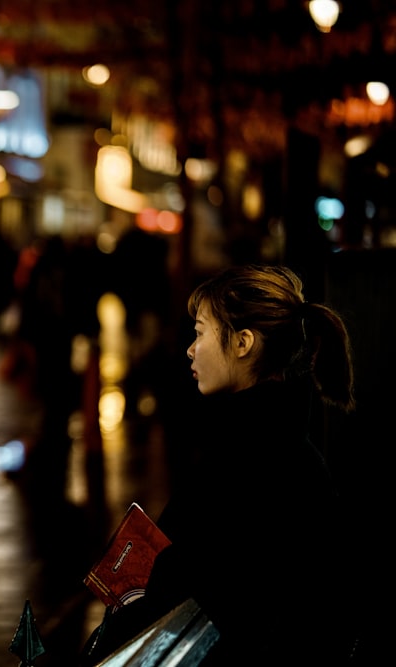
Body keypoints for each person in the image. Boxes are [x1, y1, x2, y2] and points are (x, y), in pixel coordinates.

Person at [80, 264, 361, 666]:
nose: (190, 349)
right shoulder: (276, 445)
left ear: (243, 342)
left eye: (200, 332)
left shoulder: (247, 463)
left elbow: (196, 595)